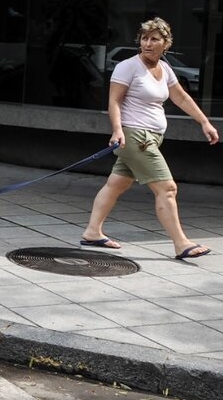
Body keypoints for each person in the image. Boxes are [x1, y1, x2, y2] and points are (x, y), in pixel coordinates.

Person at [80, 17, 218, 260]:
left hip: (151, 137)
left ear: (166, 43)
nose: (148, 43)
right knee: (167, 188)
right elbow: (114, 101)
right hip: (135, 137)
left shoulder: (164, 68)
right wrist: (117, 129)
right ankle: (181, 243)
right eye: (144, 38)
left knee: (116, 184)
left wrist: (204, 121)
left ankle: (92, 232)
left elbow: (182, 98)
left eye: (154, 39)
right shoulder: (128, 66)